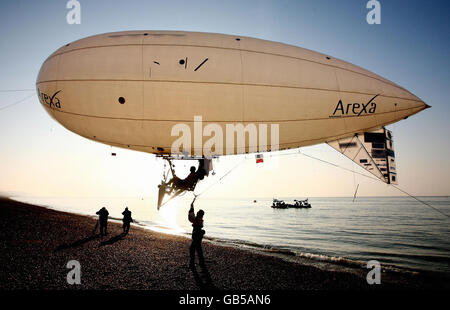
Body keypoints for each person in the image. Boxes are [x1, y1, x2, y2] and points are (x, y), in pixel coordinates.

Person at [188, 198, 205, 268]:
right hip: (199, 236)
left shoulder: (197, 219)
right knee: (198, 249)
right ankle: (201, 263)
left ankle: (192, 264)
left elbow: (190, 216)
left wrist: (191, 206)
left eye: (198, 212)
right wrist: (192, 205)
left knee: (192, 249)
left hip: (196, 236)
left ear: (199, 214)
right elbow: (192, 216)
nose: (197, 212)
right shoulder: (199, 219)